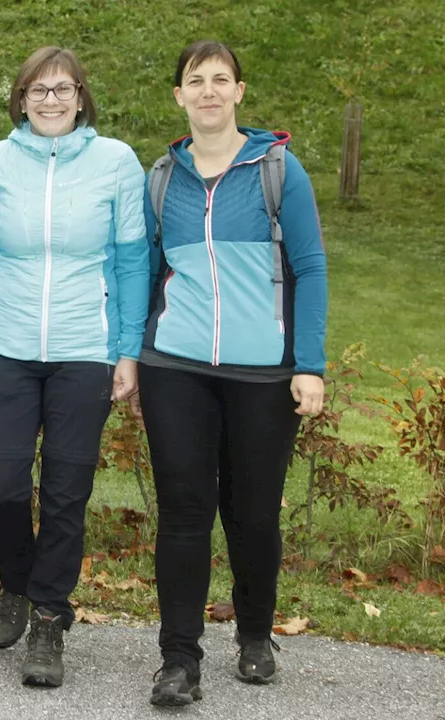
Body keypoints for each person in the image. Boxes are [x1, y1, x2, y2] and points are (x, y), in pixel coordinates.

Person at [0, 46, 148, 689]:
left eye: (63, 89)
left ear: (82, 96)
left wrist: (127, 349)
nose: (52, 100)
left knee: (66, 489)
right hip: (6, 346)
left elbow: (132, 262)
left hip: (85, 349)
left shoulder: (116, 162)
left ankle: (51, 619)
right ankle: (15, 583)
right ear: (21, 98)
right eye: (38, 90)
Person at [139, 40, 327, 706]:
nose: (210, 90)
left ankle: (253, 637)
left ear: (239, 93)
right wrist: (133, 354)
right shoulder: (161, 177)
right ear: (179, 96)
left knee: (251, 514)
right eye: (197, 80)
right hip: (175, 367)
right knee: (184, 512)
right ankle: (178, 658)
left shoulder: (279, 170)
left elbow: (310, 267)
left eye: (222, 79)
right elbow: (148, 270)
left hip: (263, 374)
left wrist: (309, 365)